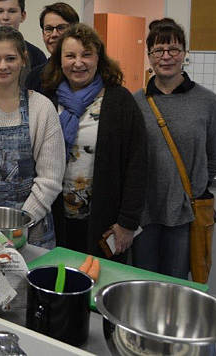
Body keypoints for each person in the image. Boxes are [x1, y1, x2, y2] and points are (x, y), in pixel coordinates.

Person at [41, 24, 147, 258]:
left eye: (86, 54)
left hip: (104, 223)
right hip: (54, 218)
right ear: (60, 60)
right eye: (70, 56)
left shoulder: (119, 100)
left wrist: (128, 222)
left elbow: (137, 164)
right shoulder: (47, 98)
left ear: (98, 58)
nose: (78, 63)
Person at [132, 18, 216, 278]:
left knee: (176, 286)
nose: (166, 57)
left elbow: (214, 156)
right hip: (144, 214)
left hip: (185, 214)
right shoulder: (135, 101)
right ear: (149, 56)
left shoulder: (207, 101)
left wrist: (191, 192)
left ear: (184, 53)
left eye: (173, 49)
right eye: (158, 50)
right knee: (142, 283)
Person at [0, 27, 65, 248]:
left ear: (23, 60)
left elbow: (50, 179)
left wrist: (19, 225)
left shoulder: (42, 108)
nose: (3, 66)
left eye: (10, 58)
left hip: (32, 228)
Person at [25, 2, 79, 93]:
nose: (54, 34)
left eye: (61, 28)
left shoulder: (84, 71)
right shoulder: (34, 77)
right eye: (49, 29)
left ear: (76, 31)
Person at [0, 0, 47, 70]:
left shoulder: (36, 56)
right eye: (0, 11)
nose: (5, 17)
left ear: (23, 16)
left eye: (12, 11)